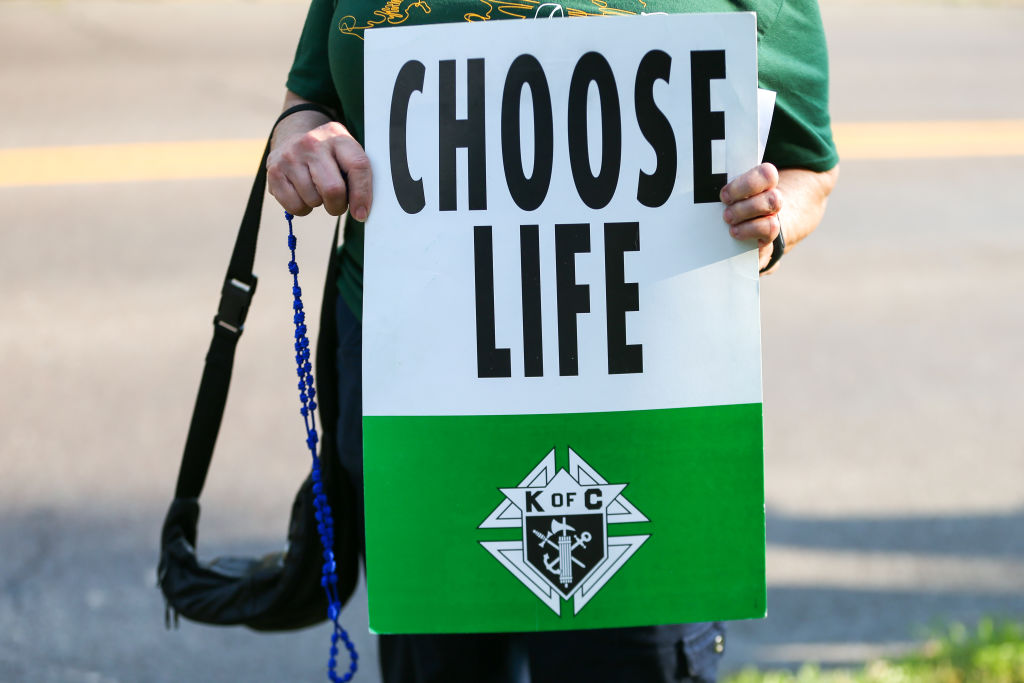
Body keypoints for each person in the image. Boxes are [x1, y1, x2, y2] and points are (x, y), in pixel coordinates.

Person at [267, 1, 838, 680]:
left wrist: (770, 220)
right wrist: (302, 144)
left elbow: (810, 167)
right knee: (442, 657)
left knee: (632, 659)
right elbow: (309, 100)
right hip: (419, 390)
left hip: (642, 401)